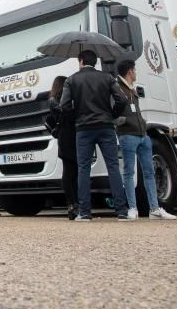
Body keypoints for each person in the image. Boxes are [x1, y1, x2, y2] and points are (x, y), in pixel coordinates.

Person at [59, 50, 130, 222]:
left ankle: (85, 213)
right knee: (113, 166)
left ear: (80, 61)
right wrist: (112, 114)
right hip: (106, 126)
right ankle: (121, 211)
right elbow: (122, 99)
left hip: (83, 129)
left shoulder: (71, 79)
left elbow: (64, 105)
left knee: (83, 168)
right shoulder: (107, 77)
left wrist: (76, 116)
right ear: (95, 61)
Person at [114, 60, 176, 221]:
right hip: (128, 135)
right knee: (129, 172)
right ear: (129, 72)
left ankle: (154, 208)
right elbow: (112, 111)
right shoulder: (117, 88)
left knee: (149, 172)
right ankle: (132, 208)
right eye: (134, 70)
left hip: (143, 135)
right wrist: (121, 123)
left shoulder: (132, 90)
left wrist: (142, 123)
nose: (136, 73)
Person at [44, 75, 77, 220]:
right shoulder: (56, 102)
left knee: (71, 170)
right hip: (68, 135)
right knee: (69, 171)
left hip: (66, 136)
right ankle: (72, 203)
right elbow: (66, 114)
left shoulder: (56, 100)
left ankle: (73, 202)